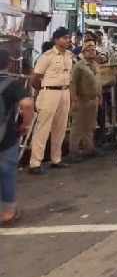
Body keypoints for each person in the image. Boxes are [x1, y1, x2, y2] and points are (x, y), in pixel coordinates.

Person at [28, 27, 74, 174]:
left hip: (64, 92)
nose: (68, 40)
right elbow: (35, 78)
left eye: (68, 38)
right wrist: (42, 90)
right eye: (65, 38)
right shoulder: (47, 56)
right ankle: (35, 163)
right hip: (49, 93)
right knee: (43, 128)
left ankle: (56, 159)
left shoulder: (69, 55)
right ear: (56, 39)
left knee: (60, 128)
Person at [1, 51, 33, 226]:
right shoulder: (13, 84)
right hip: (6, 136)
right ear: (8, 64)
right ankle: (7, 212)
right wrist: (25, 125)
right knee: (6, 173)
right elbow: (27, 105)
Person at [69, 39, 101, 161]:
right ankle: (74, 151)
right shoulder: (79, 66)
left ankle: (89, 148)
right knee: (77, 126)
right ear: (84, 51)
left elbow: (98, 82)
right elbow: (73, 83)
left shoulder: (95, 65)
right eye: (89, 50)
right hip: (82, 99)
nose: (92, 52)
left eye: (93, 50)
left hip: (94, 99)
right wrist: (74, 99)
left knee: (90, 125)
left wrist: (100, 96)